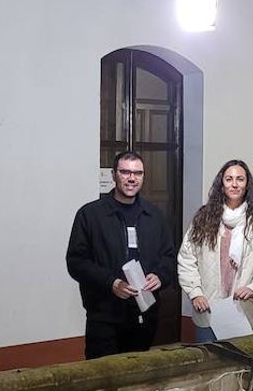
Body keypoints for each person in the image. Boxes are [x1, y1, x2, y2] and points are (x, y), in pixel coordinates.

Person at [66, 150, 177, 359]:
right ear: (113, 175)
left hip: (144, 315)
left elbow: (169, 258)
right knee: (103, 379)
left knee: (138, 381)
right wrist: (111, 283)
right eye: (125, 172)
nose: (131, 178)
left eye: (138, 173)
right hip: (104, 315)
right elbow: (76, 262)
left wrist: (160, 276)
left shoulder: (154, 216)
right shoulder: (90, 215)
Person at [178, 160, 253, 343]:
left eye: (240, 179)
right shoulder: (204, 219)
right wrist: (195, 292)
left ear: (247, 184)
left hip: (246, 312)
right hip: (209, 310)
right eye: (229, 179)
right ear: (222, 184)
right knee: (210, 367)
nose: (234, 184)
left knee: (244, 369)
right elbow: (187, 259)